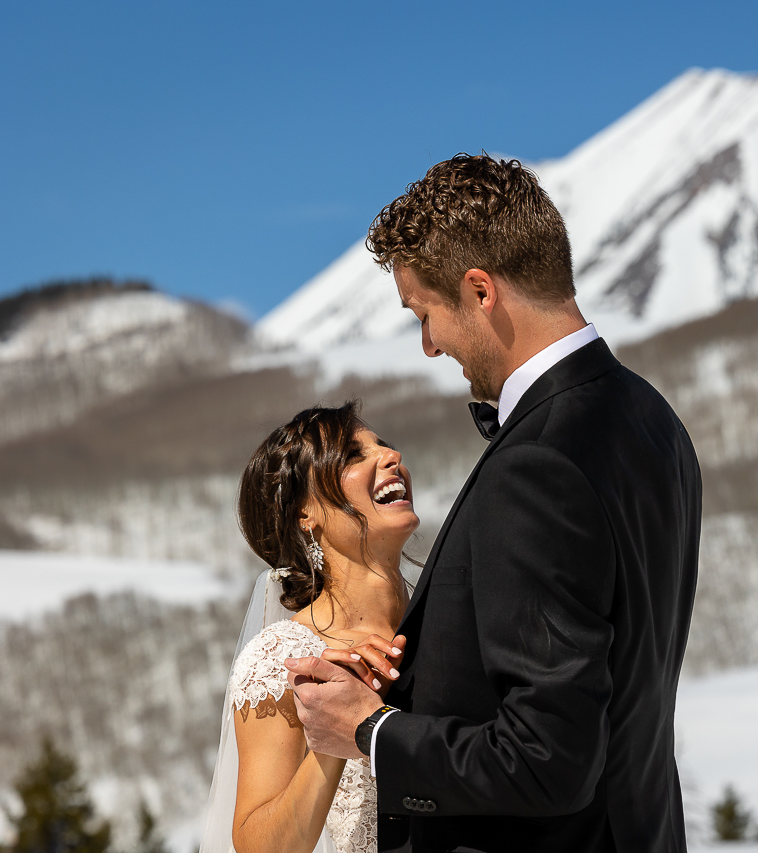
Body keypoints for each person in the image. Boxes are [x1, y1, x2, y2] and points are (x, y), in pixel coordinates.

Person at [285, 154, 702, 852]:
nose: (428, 346)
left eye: (425, 314)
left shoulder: (537, 462)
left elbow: (547, 757)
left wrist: (371, 728)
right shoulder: (655, 421)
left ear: (480, 291)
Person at [200, 402, 414, 853]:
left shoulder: (449, 615)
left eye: (385, 446)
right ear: (305, 514)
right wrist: (338, 733)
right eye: (354, 456)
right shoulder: (284, 661)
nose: (391, 457)